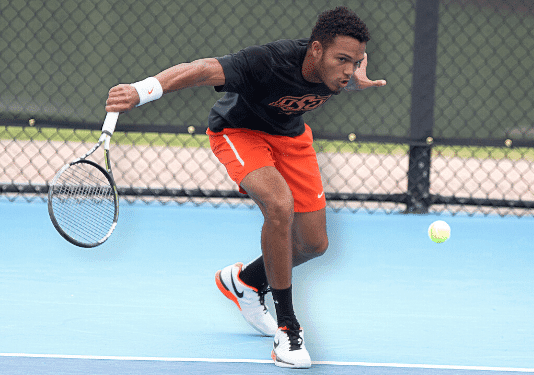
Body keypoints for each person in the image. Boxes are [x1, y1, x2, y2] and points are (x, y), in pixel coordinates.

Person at [105, 6, 386, 369]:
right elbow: (204, 69)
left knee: (314, 244)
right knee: (279, 206)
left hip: (293, 139)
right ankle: (288, 328)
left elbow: (341, 78)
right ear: (316, 50)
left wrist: (353, 80)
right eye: (343, 60)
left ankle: (246, 282)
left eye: (356, 61)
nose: (349, 69)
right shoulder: (269, 61)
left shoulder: (337, 75)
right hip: (240, 132)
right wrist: (142, 91)